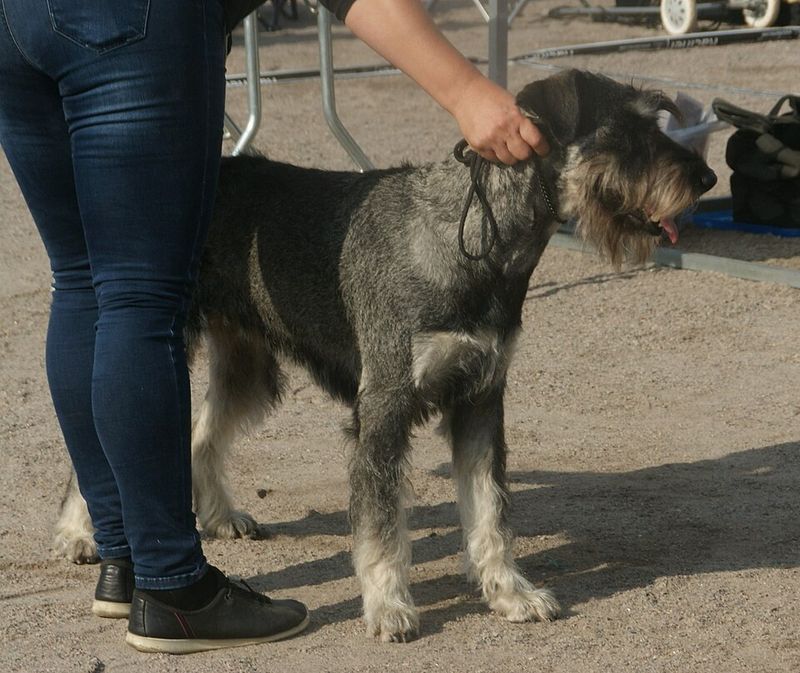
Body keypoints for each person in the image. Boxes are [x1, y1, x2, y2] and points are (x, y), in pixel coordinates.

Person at [0, 0, 548, 654]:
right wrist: (466, 92)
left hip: (16, 25)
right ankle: (172, 587)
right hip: (129, 24)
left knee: (83, 280)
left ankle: (121, 560)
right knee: (137, 296)